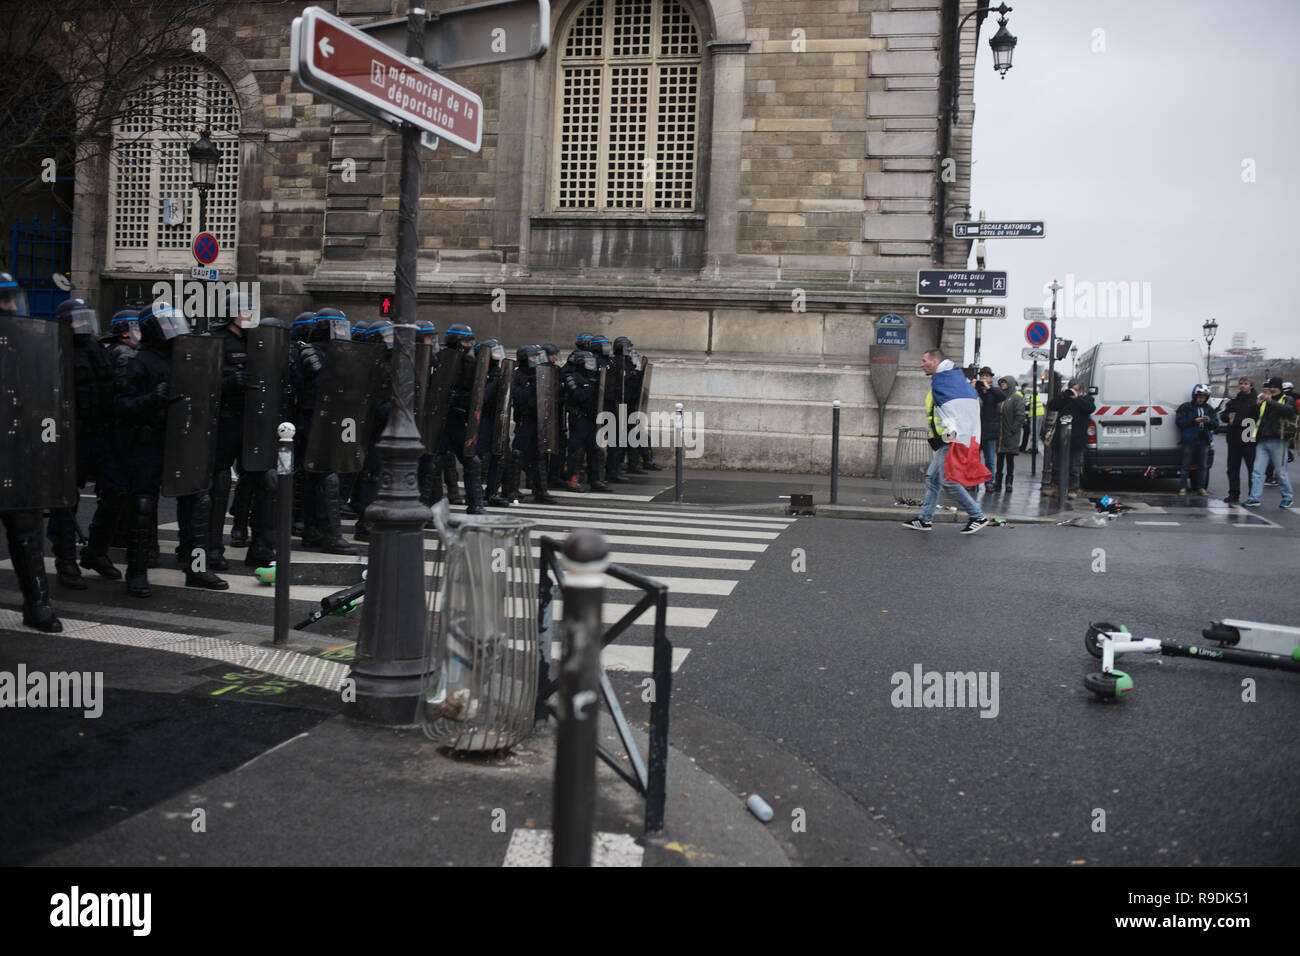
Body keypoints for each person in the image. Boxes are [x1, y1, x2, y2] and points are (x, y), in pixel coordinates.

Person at [902, 349, 990, 534]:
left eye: (924, 360)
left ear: (935, 362)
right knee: (932, 478)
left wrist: (945, 436)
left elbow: (955, 416)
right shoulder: (945, 383)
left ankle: (977, 515)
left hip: (950, 441)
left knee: (948, 480)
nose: (921, 364)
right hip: (944, 440)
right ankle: (925, 519)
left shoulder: (945, 383)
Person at [1241, 377, 1296, 508]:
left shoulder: (1287, 399)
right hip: (1263, 439)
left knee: (1280, 472)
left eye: (1275, 387)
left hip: (1279, 440)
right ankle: (1254, 498)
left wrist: (1271, 401)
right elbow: (1254, 416)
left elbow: (1288, 411)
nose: (1272, 389)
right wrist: (1257, 405)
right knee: (1257, 471)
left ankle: (1288, 497)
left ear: (1280, 388)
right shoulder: (1265, 400)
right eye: (1270, 387)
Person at [1044, 379, 1096, 500]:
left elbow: (1089, 408)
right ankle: (1055, 487)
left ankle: (1073, 489)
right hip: (1060, 437)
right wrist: (1063, 396)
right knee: (1056, 464)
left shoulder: (1086, 399)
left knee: (1074, 466)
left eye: (1077, 389)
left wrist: (1076, 398)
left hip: (1076, 438)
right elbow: (1052, 406)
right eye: (1072, 389)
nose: (1073, 392)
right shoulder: (1064, 398)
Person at [1174, 384, 1219, 496]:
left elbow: (1216, 424)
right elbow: (1179, 422)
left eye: (1203, 397)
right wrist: (1195, 421)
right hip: (1189, 440)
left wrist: (1209, 422)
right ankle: (1183, 487)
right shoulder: (1185, 407)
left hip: (1203, 440)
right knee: (1185, 465)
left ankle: (1201, 488)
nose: (1201, 399)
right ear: (1195, 396)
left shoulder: (1209, 409)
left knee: (1202, 466)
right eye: (1199, 397)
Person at [1220, 377, 1258, 503]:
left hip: (1249, 438)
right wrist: (1227, 417)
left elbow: (1256, 418)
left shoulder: (1256, 401)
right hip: (1234, 438)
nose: (1242, 386)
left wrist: (1235, 420)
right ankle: (1233, 493)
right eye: (1241, 384)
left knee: (1251, 469)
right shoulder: (1234, 401)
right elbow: (1224, 416)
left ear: (1251, 385)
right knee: (1233, 468)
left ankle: (1253, 495)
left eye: (1245, 384)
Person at [975, 366, 1005, 492]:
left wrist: (989, 388)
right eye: (982, 376)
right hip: (976, 430)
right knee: (974, 459)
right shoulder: (976, 390)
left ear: (991, 378)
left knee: (990, 460)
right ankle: (973, 482)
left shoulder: (994, 391)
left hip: (990, 431)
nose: (983, 378)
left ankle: (989, 483)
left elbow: (1002, 396)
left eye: (986, 376)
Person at [993, 376, 1024, 493]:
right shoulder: (1000, 397)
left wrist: (1013, 430)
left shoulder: (1016, 398)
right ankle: (998, 481)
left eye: (1005, 383)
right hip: (1000, 434)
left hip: (1010, 434)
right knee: (999, 459)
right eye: (1001, 383)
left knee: (1009, 459)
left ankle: (1009, 482)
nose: (1002, 385)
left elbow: (1020, 416)